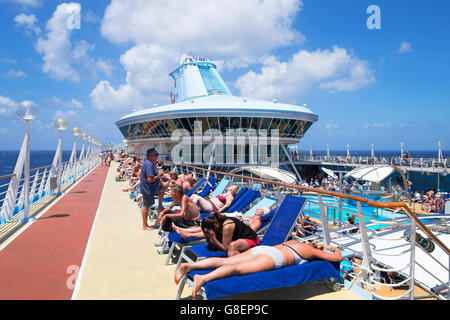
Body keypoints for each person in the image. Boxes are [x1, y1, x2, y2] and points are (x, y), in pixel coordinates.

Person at [174, 240, 342, 300]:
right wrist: (335, 250)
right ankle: (202, 279)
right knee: (236, 269)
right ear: (315, 247)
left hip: (264, 249)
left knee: (226, 261)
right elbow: (336, 259)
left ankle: (191, 266)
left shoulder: (294, 242)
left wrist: (323, 245)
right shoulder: (310, 251)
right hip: (275, 258)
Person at [171, 206, 271, 239]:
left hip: (233, 226)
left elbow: (250, 231)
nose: (256, 208)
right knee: (208, 226)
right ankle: (185, 231)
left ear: (262, 213)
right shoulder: (251, 216)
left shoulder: (257, 221)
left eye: (259, 209)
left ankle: (188, 234)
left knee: (212, 230)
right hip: (231, 220)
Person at [140, 148, 164, 230]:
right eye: (155, 155)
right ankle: (144, 225)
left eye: (157, 155)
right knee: (146, 206)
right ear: (150, 156)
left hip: (151, 188)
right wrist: (159, 176)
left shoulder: (150, 163)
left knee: (162, 189)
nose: (157, 157)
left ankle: (160, 206)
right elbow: (149, 180)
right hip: (148, 189)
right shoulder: (149, 165)